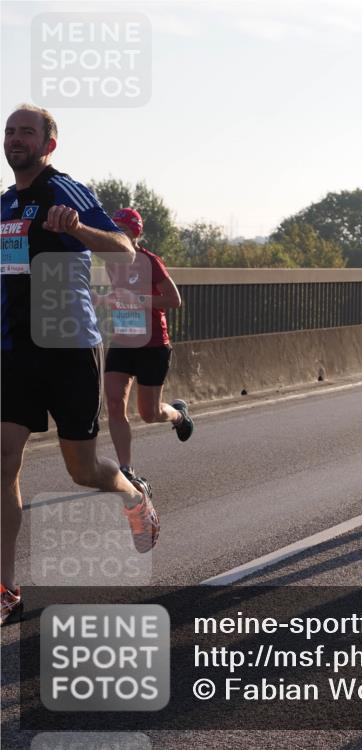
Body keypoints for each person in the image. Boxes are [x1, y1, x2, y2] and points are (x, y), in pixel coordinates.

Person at [1, 105, 159, 624]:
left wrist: (80, 230)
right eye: (9, 131)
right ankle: (7, 588)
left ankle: (132, 495)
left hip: (68, 348)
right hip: (14, 352)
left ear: (48, 144)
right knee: (3, 461)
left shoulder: (64, 191)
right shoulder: (4, 206)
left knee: (83, 469)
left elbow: (123, 249)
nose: (15, 138)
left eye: (27, 131)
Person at [95, 207, 194, 491]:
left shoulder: (150, 262)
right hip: (123, 341)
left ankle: (178, 415)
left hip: (152, 345)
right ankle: (126, 469)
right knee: (114, 403)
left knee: (149, 413)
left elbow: (174, 300)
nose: (118, 238)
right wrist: (102, 299)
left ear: (135, 233)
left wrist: (136, 298)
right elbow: (118, 298)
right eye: (114, 232)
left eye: (122, 232)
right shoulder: (112, 263)